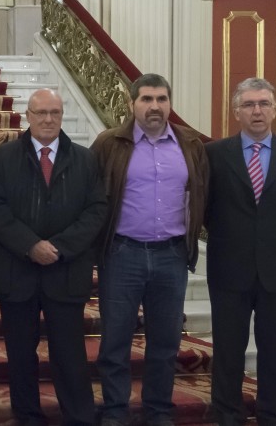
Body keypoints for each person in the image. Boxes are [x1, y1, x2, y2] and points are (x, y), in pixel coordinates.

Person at [0, 88, 107, 426]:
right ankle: (27, 416)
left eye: (55, 112)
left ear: (62, 116)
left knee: (70, 354)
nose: (48, 119)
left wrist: (60, 247)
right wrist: (30, 245)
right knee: (21, 354)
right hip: (16, 270)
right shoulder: (4, 156)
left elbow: (96, 210)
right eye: (41, 113)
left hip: (66, 271)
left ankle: (79, 417)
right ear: (28, 116)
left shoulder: (85, 159)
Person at [90, 74, 208, 426]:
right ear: (131, 104)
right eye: (146, 99)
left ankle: (158, 410)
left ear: (170, 103)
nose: (154, 106)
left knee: (166, 341)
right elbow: (92, 197)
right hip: (122, 254)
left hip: (171, 256)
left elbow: (205, 194)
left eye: (161, 99)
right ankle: (115, 410)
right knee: (115, 340)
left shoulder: (191, 144)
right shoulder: (109, 144)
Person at [206, 78, 276, 426]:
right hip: (229, 265)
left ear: (274, 110)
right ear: (236, 111)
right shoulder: (214, 154)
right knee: (227, 349)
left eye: (264, 104)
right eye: (249, 104)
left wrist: (269, 237)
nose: (257, 111)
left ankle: (271, 414)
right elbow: (207, 208)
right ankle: (227, 414)